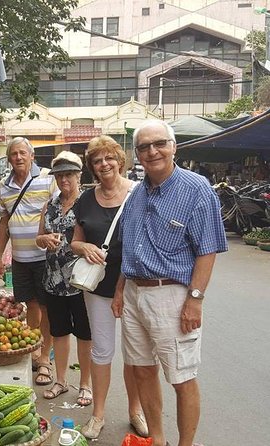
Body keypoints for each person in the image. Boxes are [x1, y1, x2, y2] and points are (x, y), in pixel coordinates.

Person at [114, 120, 228, 446]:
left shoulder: (196, 189)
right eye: (144, 147)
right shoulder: (135, 195)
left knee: (182, 378)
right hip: (135, 292)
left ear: (173, 146)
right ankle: (159, 439)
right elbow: (131, 248)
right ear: (137, 154)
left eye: (159, 143)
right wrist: (121, 290)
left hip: (173, 296)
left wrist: (195, 299)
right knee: (141, 370)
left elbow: (207, 250)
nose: (152, 151)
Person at [70, 135, 147, 440]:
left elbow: (141, 244)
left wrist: (121, 288)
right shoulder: (86, 199)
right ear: (91, 167)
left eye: (108, 158)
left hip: (133, 285)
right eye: (97, 161)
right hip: (97, 287)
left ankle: (136, 411)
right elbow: (74, 240)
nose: (104, 165)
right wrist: (83, 247)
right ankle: (98, 415)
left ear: (120, 160)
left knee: (136, 353)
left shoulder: (139, 194)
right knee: (101, 351)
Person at [0, 137, 56, 385]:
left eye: (22, 153)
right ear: (8, 159)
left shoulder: (48, 179)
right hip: (20, 258)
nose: (18, 158)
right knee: (30, 304)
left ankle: (45, 360)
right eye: (13, 154)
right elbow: (4, 222)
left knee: (47, 307)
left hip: (45, 257)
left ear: (31, 156)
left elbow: (62, 210)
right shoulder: (4, 186)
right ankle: (34, 348)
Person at [35, 151, 92, 406]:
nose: (64, 180)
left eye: (69, 174)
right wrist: (44, 240)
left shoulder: (89, 203)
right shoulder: (50, 205)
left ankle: (85, 385)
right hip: (54, 280)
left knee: (84, 334)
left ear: (78, 175)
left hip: (81, 282)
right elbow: (38, 238)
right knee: (58, 332)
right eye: (59, 175)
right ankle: (61, 380)